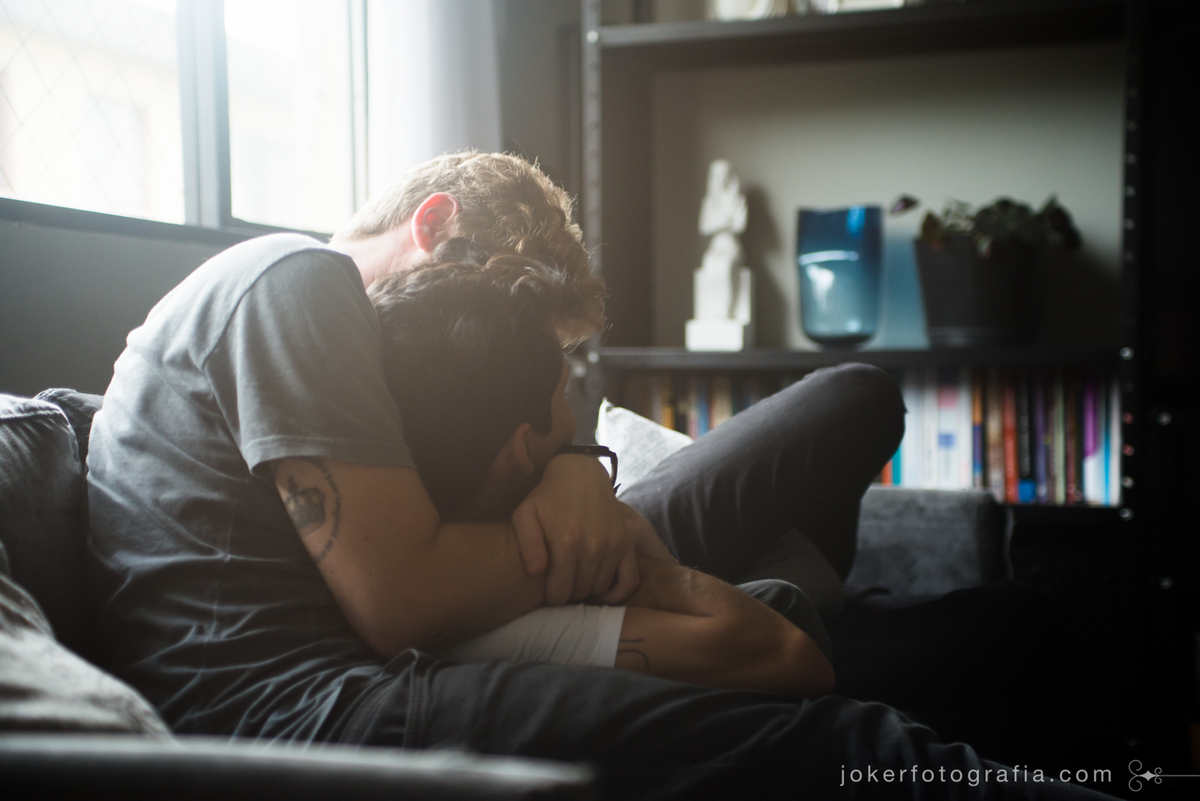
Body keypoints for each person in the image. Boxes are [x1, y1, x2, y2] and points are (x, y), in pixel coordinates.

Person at [86, 151, 1115, 799]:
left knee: (858, 423)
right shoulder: (291, 283)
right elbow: (404, 596)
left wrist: (575, 462)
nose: (500, 372)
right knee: (841, 737)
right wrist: (600, 521)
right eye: (508, 326)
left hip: (428, 627)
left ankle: (794, 614)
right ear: (435, 227)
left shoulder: (345, 333)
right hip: (315, 707)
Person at [366, 252, 833, 695]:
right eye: (565, 395)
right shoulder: (508, 618)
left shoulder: (391, 525)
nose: (574, 417)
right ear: (521, 447)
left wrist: (574, 466)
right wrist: (629, 539)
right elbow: (792, 655)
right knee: (786, 601)